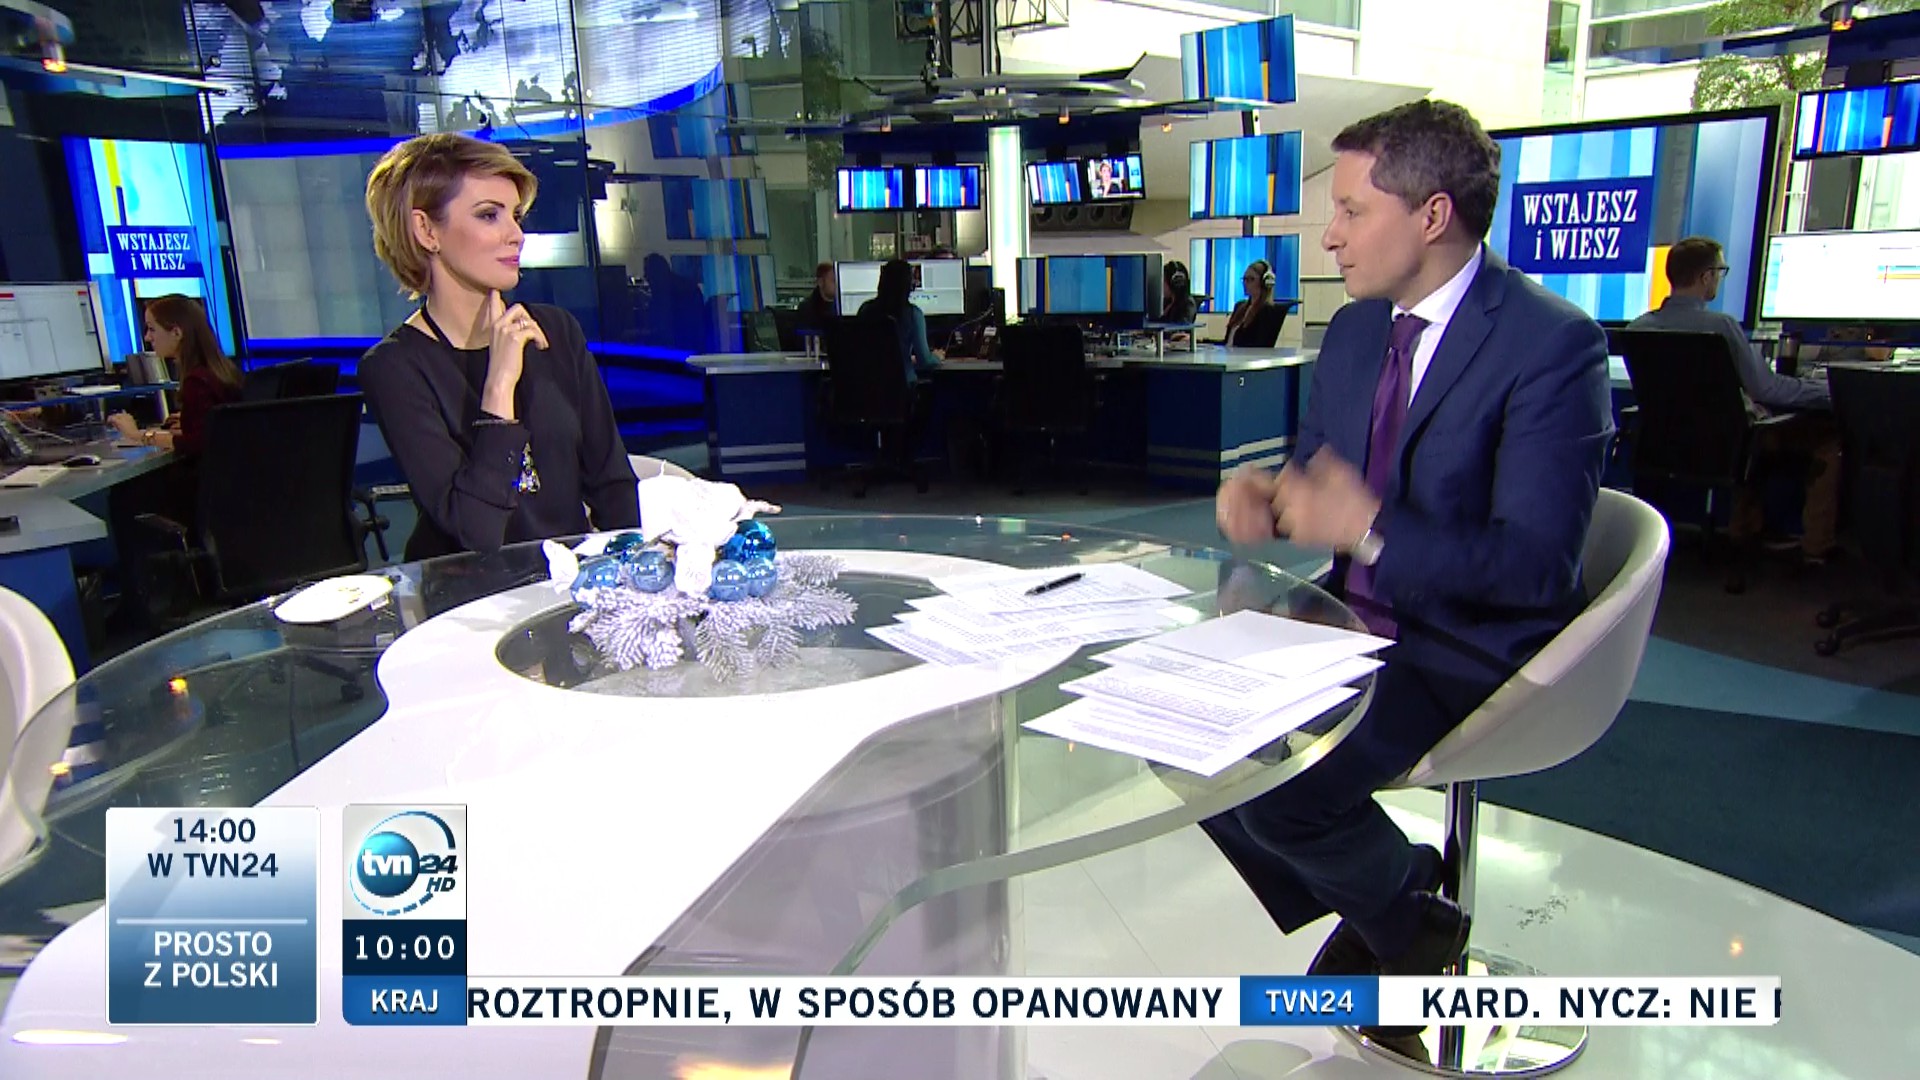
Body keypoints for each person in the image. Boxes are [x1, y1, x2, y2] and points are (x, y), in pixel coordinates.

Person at [1212, 100, 1612, 1063]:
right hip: (1348, 618)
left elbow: (1534, 567)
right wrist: (1273, 502)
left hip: (1468, 643)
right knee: (1181, 733)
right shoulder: (1356, 332)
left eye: (1351, 210)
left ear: (1432, 216)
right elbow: (1322, 483)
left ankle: (1404, 923)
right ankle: (1395, 900)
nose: (1329, 235)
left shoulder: (1553, 346)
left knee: (1279, 787)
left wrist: (1370, 532)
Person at [359, 132, 637, 560]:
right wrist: (500, 384)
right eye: (489, 215)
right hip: (469, 592)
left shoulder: (557, 331)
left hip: (566, 582)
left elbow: (612, 485)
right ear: (426, 230)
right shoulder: (395, 367)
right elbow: (475, 531)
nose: (516, 235)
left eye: (516, 215)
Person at [1628, 236, 1839, 562]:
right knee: (1828, 441)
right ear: (1705, 277)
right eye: (1720, 271)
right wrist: (1830, 389)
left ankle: (1747, 529)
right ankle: (1815, 550)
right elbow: (1768, 390)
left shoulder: (1638, 328)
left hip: (1663, 447)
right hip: (1727, 446)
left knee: (1751, 427)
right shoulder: (1721, 327)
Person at [107, 295, 243, 455]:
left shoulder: (196, 382)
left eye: (152, 329)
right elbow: (214, 429)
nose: (147, 337)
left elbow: (196, 444)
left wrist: (137, 435)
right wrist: (188, 421)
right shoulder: (221, 371)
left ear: (177, 333)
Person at [858, 258, 940, 381]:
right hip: (901, 386)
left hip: (868, 385)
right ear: (909, 286)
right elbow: (925, 361)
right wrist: (937, 357)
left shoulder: (865, 309)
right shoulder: (913, 314)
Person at [1221, 260, 1287, 347]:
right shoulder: (1239, 306)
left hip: (1246, 355)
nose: (1245, 283)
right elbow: (1227, 340)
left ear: (1264, 283)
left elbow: (1259, 343)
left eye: (1251, 279)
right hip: (1230, 353)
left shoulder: (1267, 311)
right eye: (1244, 279)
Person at [797, 261, 837, 331]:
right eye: (833, 281)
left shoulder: (842, 306)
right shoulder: (807, 308)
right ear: (820, 282)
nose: (837, 285)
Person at [1160, 260, 1198, 325]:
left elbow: (1181, 326)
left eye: (1164, 281)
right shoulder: (1166, 302)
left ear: (1173, 283)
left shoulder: (1188, 304)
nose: (1162, 285)